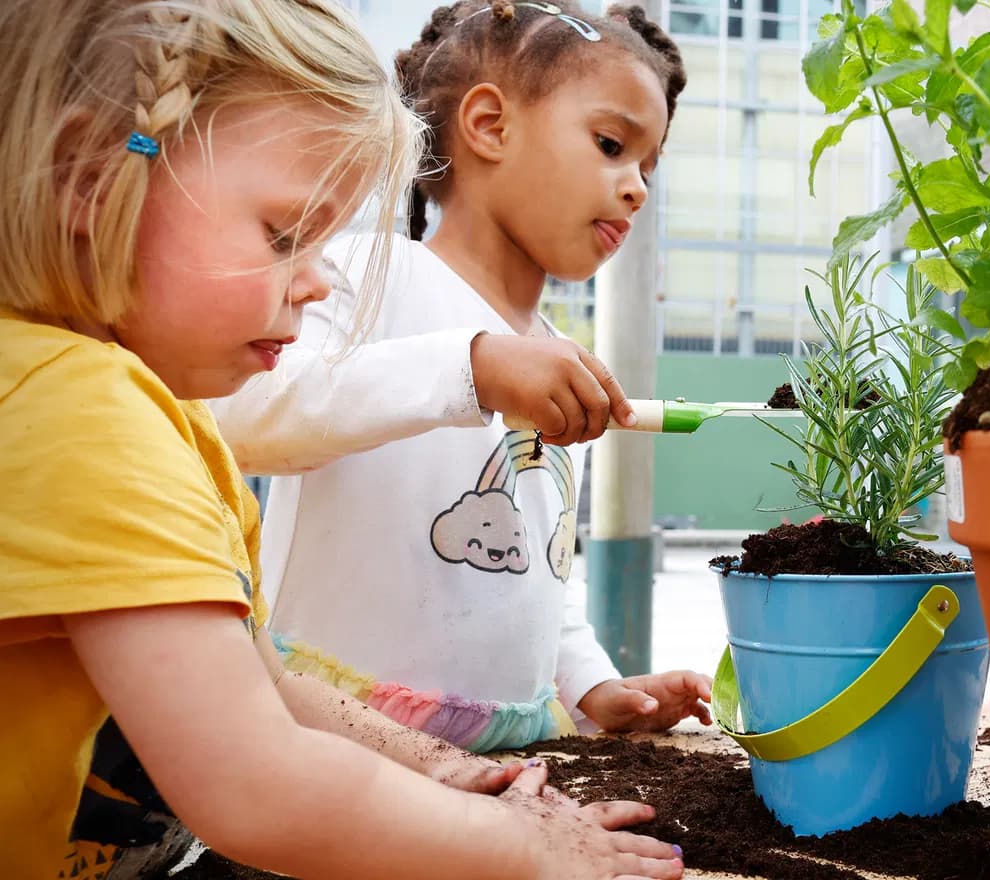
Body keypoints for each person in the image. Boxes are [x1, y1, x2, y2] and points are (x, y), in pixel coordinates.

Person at [0, 2, 683, 878]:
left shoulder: (117, 406)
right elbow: (255, 781)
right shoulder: (84, 411)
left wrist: (440, 764)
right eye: (286, 235)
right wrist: (528, 849)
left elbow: (261, 683)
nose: (320, 281)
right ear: (88, 178)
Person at [210, 0, 713, 754]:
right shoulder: (366, 273)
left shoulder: (546, 355)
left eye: (648, 165)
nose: (637, 186)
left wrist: (592, 686)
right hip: (340, 740)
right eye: (612, 144)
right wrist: (467, 368)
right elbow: (244, 417)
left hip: (519, 743)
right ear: (489, 125)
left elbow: (537, 567)